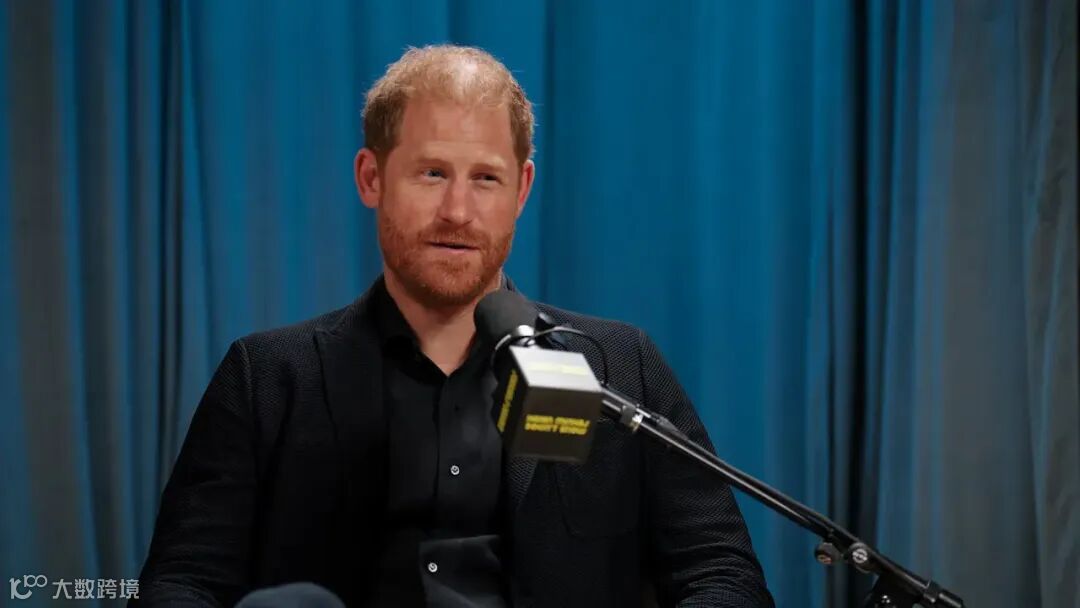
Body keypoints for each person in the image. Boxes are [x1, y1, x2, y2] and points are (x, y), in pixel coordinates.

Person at [136, 44, 773, 608]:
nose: (458, 211)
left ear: (522, 189)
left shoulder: (619, 366)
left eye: (486, 179)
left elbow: (721, 575)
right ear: (371, 177)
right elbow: (183, 581)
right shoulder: (267, 378)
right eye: (432, 173)